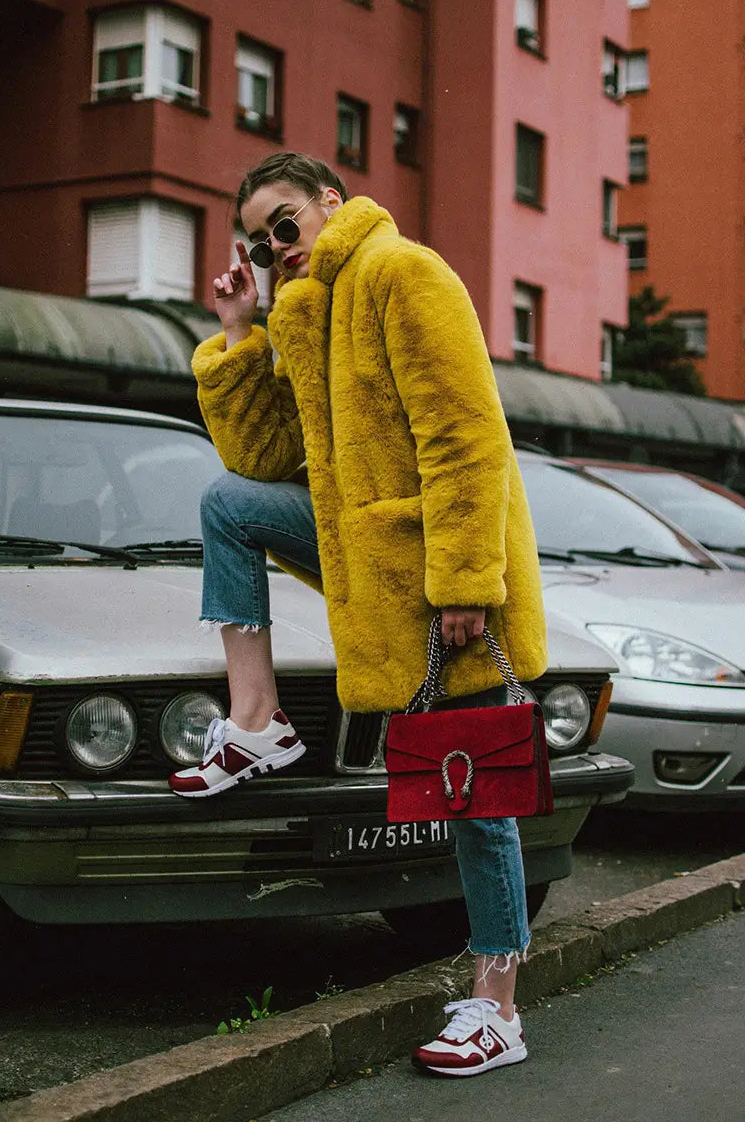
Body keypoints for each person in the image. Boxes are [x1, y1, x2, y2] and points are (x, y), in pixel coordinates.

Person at [169, 152, 548, 1078]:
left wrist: (465, 579)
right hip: (372, 571)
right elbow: (265, 459)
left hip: (445, 578)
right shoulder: (309, 314)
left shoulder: (402, 272)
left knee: (475, 798)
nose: (275, 248)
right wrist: (238, 334)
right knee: (227, 502)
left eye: (286, 225)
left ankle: (497, 1004)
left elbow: (468, 435)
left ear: (330, 205)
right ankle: (257, 723)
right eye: (260, 242)